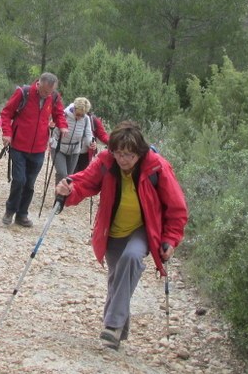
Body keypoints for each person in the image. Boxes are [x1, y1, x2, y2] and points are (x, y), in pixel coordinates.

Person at [55, 121, 188, 350]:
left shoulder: (157, 167)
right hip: (112, 230)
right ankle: (116, 336)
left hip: (144, 229)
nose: (123, 159)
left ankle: (112, 325)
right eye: (118, 153)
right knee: (117, 279)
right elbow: (85, 182)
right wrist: (69, 190)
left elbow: (177, 208)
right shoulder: (107, 162)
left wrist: (170, 239)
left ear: (139, 152)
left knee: (132, 258)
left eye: (128, 154)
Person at [0, 72, 68, 227]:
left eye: (49, 92)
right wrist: (7, 134)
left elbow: (59, 114)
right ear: (39, 84)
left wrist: (63, 126)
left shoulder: (54, 97)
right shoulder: (24, 92)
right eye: (44, 91)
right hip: (18, 145)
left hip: (39, 148)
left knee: (30, 183)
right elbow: (6, 113)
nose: (47, 95)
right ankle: (10, 211)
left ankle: (22, 214)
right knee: (19, 180)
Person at [51, 97, 94, 183]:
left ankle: (64, 196)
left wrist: (91, 143)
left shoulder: (86, 119)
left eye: (82, 115)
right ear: (74, 108)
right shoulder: (64, 114)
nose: (79, 117)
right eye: (78, 114)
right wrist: (53, 127)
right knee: (62, 174)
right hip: (59, 148)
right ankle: (59, 196)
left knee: (70, 177)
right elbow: (54, 129)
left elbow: (88, 134)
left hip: (74, 150)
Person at [75, 107, 110, 173]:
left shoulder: (93, 120)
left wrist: (113, 142)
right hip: (71, 151)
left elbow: (102, 135)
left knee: (81, 174)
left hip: (85, 153)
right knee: (69, 174)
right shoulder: (71, 117)